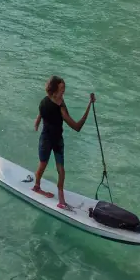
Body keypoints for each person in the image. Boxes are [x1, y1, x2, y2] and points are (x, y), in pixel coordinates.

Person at [31, 75, 94, 211]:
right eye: (61, 89)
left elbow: (41, 113)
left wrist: (90, 104)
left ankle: (61, 199)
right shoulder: (50, 104)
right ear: (53, 92)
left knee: (61, 170)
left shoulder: (58, 102)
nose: (64, 91)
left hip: (58, 140)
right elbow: (77, 127)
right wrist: (89, 105)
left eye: (64, 88)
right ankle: (36, 186)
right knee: (43, 164)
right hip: (46, 139)